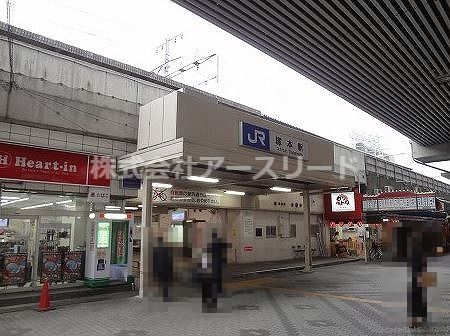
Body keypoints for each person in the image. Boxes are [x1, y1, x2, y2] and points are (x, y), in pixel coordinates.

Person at [152, 236, 174, 301]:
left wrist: (154, 269)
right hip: (166, 268)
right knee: (166, 282)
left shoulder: (155, 249)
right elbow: (170, 259)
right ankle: (165, 296)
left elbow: (154, 260)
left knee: (160, 281)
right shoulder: (168, 248)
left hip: (158, 268)